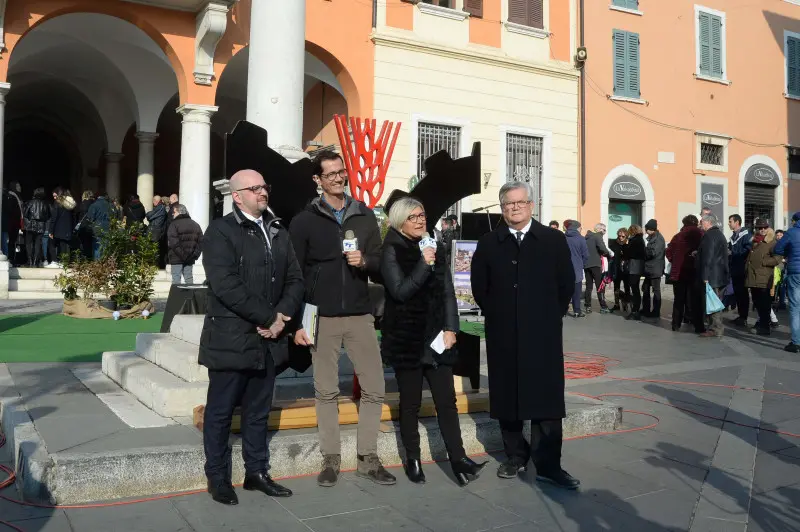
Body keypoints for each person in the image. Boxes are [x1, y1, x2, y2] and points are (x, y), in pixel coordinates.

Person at [289, 150, 394, 488]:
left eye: (341, 172)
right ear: (318, 180)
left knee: (375, 388)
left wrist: (365, 261)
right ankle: (331, 459)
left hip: (361, 315)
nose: (338, 178)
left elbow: (381, 262)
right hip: (322, 317)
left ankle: (367, 459)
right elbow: (295, 274)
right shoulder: (304, 220)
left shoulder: (364, 215)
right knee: (326, 391)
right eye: (330, 174)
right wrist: (298, 322)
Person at [200, 169, 303, 505]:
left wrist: (281, 318)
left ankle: (256, 472)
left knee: (258, 411)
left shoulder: (277, 228)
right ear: (237, 196)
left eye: (265, 186)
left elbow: (295, 280)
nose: (263, 192)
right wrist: (267, 316)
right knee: (220, 411)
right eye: (255, 187)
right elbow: (225, 284)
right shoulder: (220, 231)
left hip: (268, 339)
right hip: (231, 336)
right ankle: (218, 477)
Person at [471, 181, 579, 489]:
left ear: (531, 205)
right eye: (508, 204)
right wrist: (498, 313)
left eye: (520, 203)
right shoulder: (490, 242)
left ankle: (547, 463)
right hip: (503, 332)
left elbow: (566, 284)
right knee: (508, 395)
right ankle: (515, 455)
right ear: (502, 208)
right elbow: (481, 287)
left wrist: (548, 316)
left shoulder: (552, 240)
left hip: (542, 333)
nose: (514, 208)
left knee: (545, 398)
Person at [380, 197, 487, 486]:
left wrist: (452, 328)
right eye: (413, 217)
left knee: (446, 400)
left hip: (438, 338)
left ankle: (459, 458)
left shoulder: (434, 246)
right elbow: (401, 291)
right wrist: (424, 263)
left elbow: (447, 293)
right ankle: (412, 459)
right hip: (408, 338)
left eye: (422, 215)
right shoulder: (392, 250)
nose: (420, 220)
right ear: (400, 221)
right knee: (411, 403)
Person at [666, 215, 703, 332]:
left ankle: (675, 324)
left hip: (679, 272)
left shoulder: (678, 236)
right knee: (695, 299)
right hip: (694, 271)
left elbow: (668, 252)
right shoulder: (701, 235)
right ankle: (696, 324)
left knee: (679, 299)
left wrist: (674, 260)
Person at [745, 219, 781, 336]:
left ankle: (765, 327)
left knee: (764, 303)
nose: (762, 230)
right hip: (753, 276)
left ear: (768, 228)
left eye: (765, 227)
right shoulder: (755, 241)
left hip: (764, 277)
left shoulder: (772, 242)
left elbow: (777, 258)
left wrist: (763, 261)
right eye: (760, 228)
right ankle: (762, 321)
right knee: (756, 301)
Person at [697, 214, 730, 338]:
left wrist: (705, 276)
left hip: (712, 275)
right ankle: (714, 327)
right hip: (720, 274)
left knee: (713, 303)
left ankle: (715, 328)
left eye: (702, 222)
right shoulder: (719, 234)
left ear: (708, 222)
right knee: (716, 301)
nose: (700, 224)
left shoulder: (709, 236)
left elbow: (708, 257)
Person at [773, 212, 800, 351]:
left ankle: (796, 343)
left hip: (795, 272)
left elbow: (777, 248)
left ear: (795, 221)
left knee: (795, 308)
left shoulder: (791, 232)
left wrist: (788, 253)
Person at [167, 204, 203, 285]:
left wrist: (183, 255)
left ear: (179, 212)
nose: (173, 214)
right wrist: (194, 255)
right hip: (190, 257)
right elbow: (201, 242)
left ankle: (177, 297)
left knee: (176, 280)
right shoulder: (195, 224)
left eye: (174, 212)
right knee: (189, 279)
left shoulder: (174, 224)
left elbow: (173, 242)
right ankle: (190, 297)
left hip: (177, 257)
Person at [728, 214, 752, 327]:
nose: (729, 223)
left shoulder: (746, 235)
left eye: (730, 221)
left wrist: (732, 253)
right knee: (738, 294)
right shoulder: (733, 236)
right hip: (735, 269)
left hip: (742, 269)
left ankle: (744, 317)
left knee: (743, 294)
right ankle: (741, 316)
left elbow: (748, 251)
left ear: (737, 222)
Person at [584, 223, 611, 314]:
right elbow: (602, 248)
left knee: (588, 286)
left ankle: (587, 306)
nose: (604, 232)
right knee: (600, 286)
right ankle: (603, 306)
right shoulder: (597, 236)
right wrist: (609, 254)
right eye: (604, 230)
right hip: (596, 264)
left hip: (586, 264)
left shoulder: (587, 237)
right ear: (599, 229)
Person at [642, 219, 666, 319]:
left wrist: (643, 251)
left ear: (650, 229)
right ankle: (646, 309)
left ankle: (656, 311)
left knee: (655, 290)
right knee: (645, 288)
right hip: (650, 268)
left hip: (655, 268)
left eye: (646, 228)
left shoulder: (658, 239)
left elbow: (653, 253)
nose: (645, 230)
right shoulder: (653, 237)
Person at [47, 187, 76, 268]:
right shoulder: (70, 204)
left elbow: (54, 218)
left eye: (55, 196)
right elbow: (73, 218)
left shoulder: (57, 203)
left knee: (51, 244)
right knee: (64, 246)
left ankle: (55, 261)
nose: (54, 198)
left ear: (59, 194)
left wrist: (51, 231)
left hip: (58, 229)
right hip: (67, 229)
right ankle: (64, 262)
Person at [564, 220, 589, 318]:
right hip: (577, 269)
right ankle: (577, 311)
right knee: (576, 292)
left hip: (563, 269)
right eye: (580, 227)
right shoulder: (581, 239)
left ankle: (563, 311)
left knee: (564, 290)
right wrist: (582, 264)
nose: (581, 229)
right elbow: (586, 255)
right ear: (577, 228)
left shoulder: (563, 237)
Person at [22, 187, 49, 267]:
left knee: (28, 243)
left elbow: (25, 214)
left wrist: (27, 223)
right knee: (38, 243)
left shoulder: (29, 202)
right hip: (40, 225)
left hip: (30, 225)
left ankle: (30, 260)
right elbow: (47, 216)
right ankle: (35, 262)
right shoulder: (45, 204)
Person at [625, 225, 646, 320]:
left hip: (635, 265)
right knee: (635, 287)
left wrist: (625, 251)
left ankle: (635, 310)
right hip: (637, 265)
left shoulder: (635, 240)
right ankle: (635, 309)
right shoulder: (639, 239)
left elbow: (631, 253)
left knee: (634, 287)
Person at [85, 192, 113, 260]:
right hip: (108, 227)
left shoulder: (94, 205)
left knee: (97, 246)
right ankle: (105, 262)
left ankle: (98, 264)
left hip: (97, 227)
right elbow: (115, 216)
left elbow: (90, 218)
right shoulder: (110, 205)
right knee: (106, 246)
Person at [608, 228, 629, 312]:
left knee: (627, 287)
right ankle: (616, 304)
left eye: (623, 236)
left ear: (626, 236)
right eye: (619, 236)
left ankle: (626, 303)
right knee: (616, 286)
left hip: (626, 269)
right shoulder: (613, 243)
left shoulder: (628, 243)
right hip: (616, 268)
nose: (621, 237)